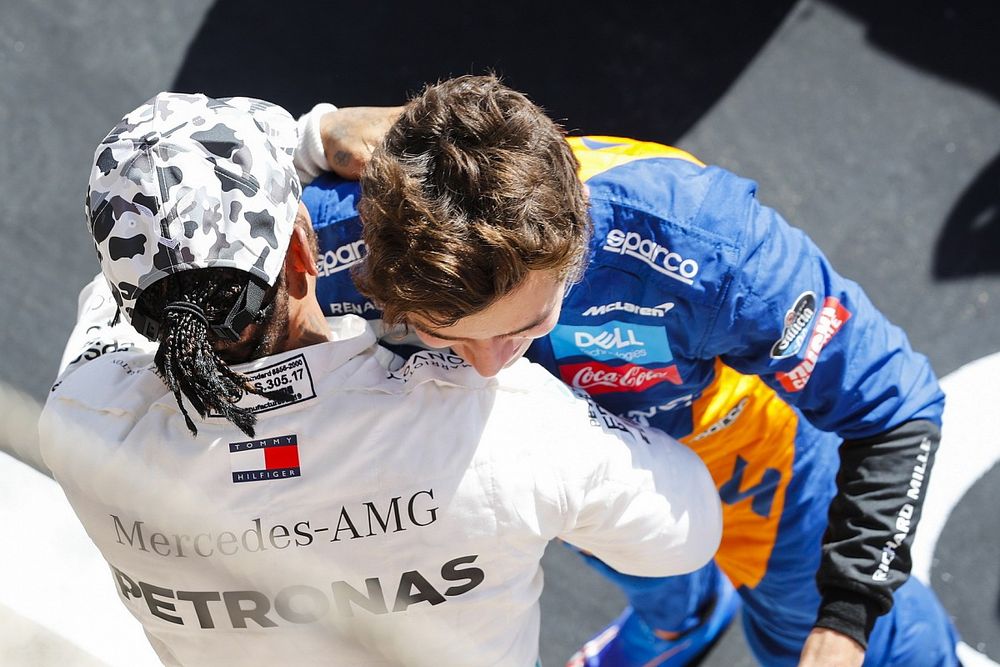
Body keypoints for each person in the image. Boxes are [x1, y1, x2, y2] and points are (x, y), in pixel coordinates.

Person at [291, 75, 961, 666]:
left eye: (527, 324)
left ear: (575, 245)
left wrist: (842, 625)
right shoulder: (343, 238)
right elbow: (194, 179)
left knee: (830, 640)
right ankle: (681, 621)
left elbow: (896, 408)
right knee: (615, 541)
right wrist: (313, 135)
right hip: (574, 447)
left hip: (754, 461)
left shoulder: (701, 239)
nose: (492, 366)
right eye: (448, 335)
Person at [38, 92, 724, 666]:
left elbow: (115, 302)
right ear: (305, 252)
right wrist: (313, 138)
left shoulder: (82, 426)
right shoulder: (502, 424)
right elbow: (688, 528)